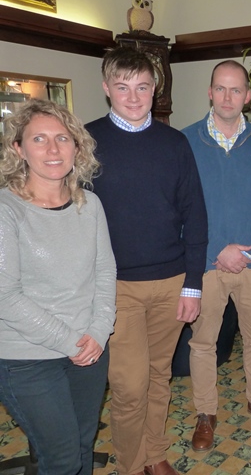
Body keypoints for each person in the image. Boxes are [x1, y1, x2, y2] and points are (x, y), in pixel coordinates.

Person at [86, 47, 208, 475]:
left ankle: (154, 453)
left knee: (159, 376)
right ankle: (131, 463)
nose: (134, 97)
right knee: (129, 385)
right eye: (123, 87)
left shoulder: (174, 143)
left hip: (171, 281)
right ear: (107, 88)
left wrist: (193, 284)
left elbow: (195, 215)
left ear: (154, 88)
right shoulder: (86, 142)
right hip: (115, 286)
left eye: (142, 87)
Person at [0, 99, 116, 474]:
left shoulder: (90, 205)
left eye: (62, 138)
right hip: (26, 358)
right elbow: (5, 297)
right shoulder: (6, 210)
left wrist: (99, 331)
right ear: (18, 148)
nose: (53, 149)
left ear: (76, 147)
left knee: (82, 447)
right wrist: (71, 341)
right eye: (39, 139)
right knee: (63, 459)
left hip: (89, 349)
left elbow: (104, 272)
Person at [182, 60, 251, 453]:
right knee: (203, 342)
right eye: (221, 88)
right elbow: (181, 207)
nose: (228, 97)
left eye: (236, 89)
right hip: (206, 263)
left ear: (247, 95)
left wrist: (246, 252)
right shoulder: (186, 141)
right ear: (210, 92)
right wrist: (217, 251)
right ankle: (205, 413)